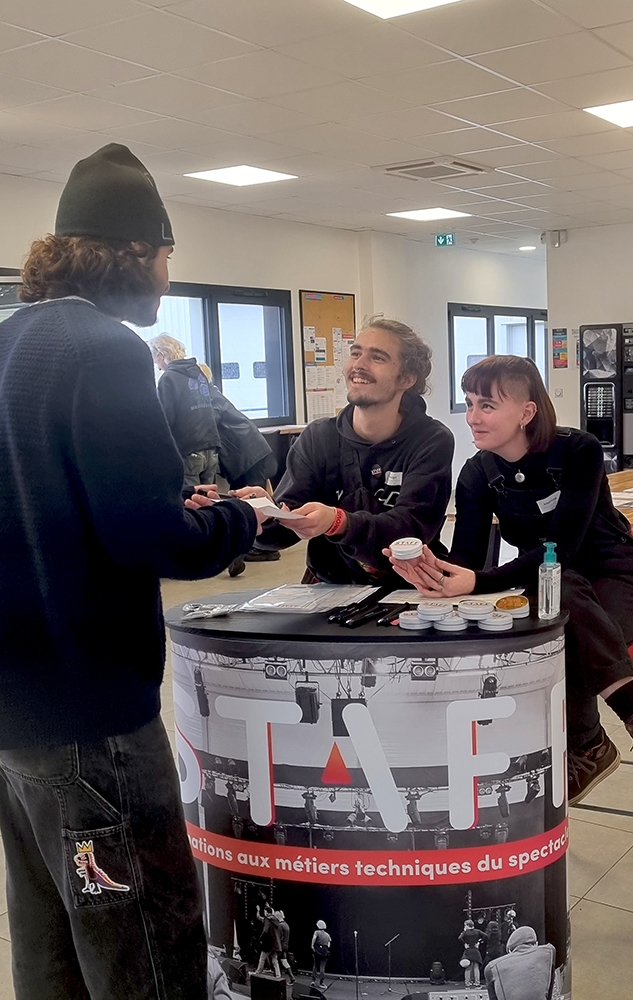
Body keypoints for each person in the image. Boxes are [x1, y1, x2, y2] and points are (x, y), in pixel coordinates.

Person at [0, 143, 265, 1000]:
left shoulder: (7, 343)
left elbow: (54, 499)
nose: (165, 278)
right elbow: (154, 540)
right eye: (166, 257)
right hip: (93, 722)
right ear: (136, 252)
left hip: (15, 712)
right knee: (144, 940)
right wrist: (240, 516)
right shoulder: (103, 348)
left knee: (49, 939)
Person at [388, 356, 633, 805]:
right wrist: (433, 569)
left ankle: (597, 740)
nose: (472, 417)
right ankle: (631, 728)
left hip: (617, 577)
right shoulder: (477, 474)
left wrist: (476, 582)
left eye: (487, 405)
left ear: (527, 412)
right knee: (556, 605)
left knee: (560, 618)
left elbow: (559, 550)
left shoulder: (579, 450)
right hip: (550, 586)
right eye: (469, 403)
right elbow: (470, 559)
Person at [245, 317, 455, 585]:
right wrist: (260, 514)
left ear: (406, 379)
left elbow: (408, 532)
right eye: (356, 353)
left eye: (377, 357)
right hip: (331, 587)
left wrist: (339, 523)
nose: (359, 365)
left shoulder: (431, 441)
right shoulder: (319, 437)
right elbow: (282, 531)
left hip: (409, 587)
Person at [198, 362, 278, 577]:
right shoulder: (212, 395)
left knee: (249, 504)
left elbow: (209, 423)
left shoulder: (208, 397)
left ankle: (253, 550)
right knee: (245, 504)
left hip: (248, 455)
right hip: (249, 454)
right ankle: (245, 551)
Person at [149, 333, 223, 488]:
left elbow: (165, 419)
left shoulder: (168, 378)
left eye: (155, 359)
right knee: (210, 498)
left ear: (161, 355)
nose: (157, 366)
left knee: (192, 500)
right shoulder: (199, 373)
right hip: (211, 447)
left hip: (189, 450)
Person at [484, 926, 557, 1000]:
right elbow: (549, 994)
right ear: (536, 944)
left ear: (510, 951)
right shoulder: (549, 952)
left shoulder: (491, 968)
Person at [255, 904, 282, 978]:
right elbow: (260, 918)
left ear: (267, 913)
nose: (264, 913)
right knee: (275, 960)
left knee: (262, 958)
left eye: (265, 912)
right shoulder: (275, 920)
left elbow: (265, 931)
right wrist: (268, 907)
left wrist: (260, 938)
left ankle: (258, 972)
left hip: (268, 944)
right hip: (276, 944)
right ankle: (278, 975)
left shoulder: (267, 920)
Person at [459, 919, 487, 988]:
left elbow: (459, 938)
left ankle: (467, 983)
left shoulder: (465, 932)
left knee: (468, 967)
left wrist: (465, 943)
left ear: (467, 925)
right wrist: (479, 942)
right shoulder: (477, 931)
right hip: (475, 950)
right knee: (476, 967)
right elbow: (485, 936)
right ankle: (477, 982)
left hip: (468, 950)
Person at [311, 919, 332, 988]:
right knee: (322, 967)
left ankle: (313, 981)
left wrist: (312, 946)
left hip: (317, 951)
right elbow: (329, 945)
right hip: (324, 953)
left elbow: (314, 939)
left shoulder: (316, 932)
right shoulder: (327, 935)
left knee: (315, 966)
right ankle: (321, 982)